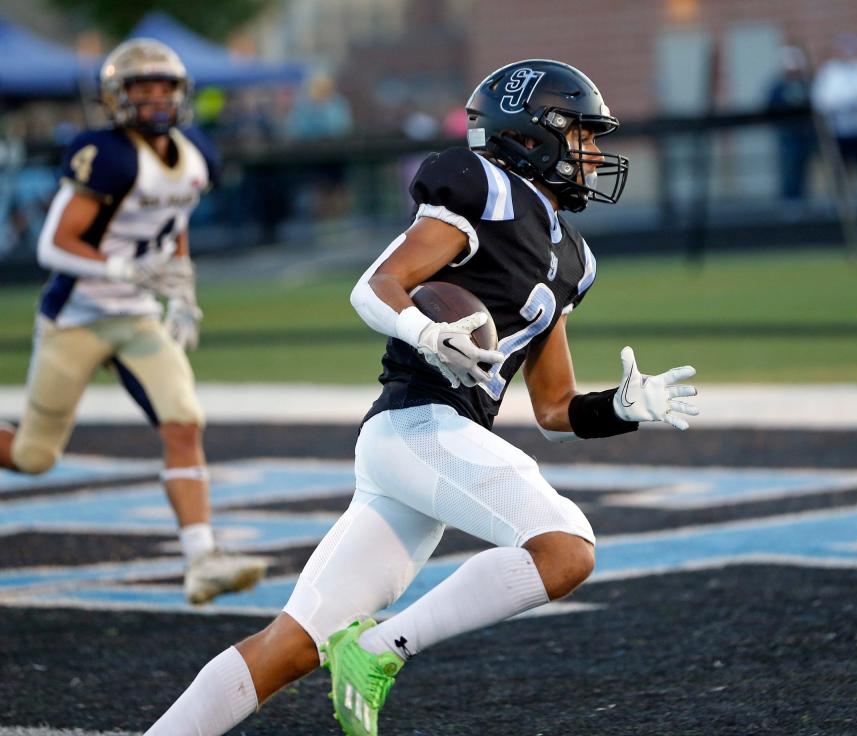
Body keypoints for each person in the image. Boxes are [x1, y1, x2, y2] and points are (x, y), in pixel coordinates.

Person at [144, 59, 699, 736]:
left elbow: (553, 408)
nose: (592, 152)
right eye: (580, 134)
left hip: (422, 446)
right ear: (531, 135)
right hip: (418, 422)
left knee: (290, 647)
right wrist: (428, 333)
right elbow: (375, 285)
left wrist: (620, 408)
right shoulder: (485, 189)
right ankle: (378, 650)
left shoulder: (573, 258)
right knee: (567, 549)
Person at [0, 39, 267, 605]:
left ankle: (201, 561)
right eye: (141, 89)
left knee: (183, 420)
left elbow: (176, 218)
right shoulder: (107, 153)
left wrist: (181, 284)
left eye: (163, 88)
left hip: (137, 318)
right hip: (78, 317)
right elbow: (54, 245)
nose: (154, 100)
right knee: (32, 457)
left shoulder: (195, 152)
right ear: (117, 98)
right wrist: (124, 268)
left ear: (181, 94)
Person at [812, 33, 857, 194]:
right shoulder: (830, 72)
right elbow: (821, 99)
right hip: (839, 129)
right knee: (841, 167)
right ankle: (843, 197)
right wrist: (843, 102)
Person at [766, 45, 816, 200]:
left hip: (805, 133)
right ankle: (790, 199)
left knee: (805, 168)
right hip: (788, 134)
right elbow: (770, 106)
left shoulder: (807, 84)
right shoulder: (778, 86)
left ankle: (803, 197)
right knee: (789, 168)